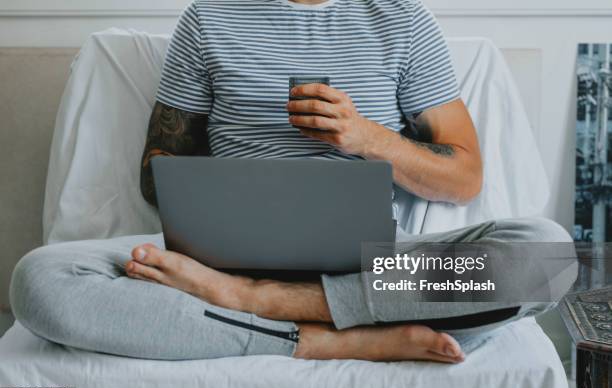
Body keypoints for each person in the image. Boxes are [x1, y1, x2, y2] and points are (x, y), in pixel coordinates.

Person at [10, 0, 574, 364]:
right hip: (217, 260)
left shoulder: (400, 19)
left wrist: (367, 138)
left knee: (545, 253)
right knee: (42, 278)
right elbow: (157, 172)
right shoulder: (210, 17)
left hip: (378, 269)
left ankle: (258, 304)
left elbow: (465, 176)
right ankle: (332, 338)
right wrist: (228, 191)